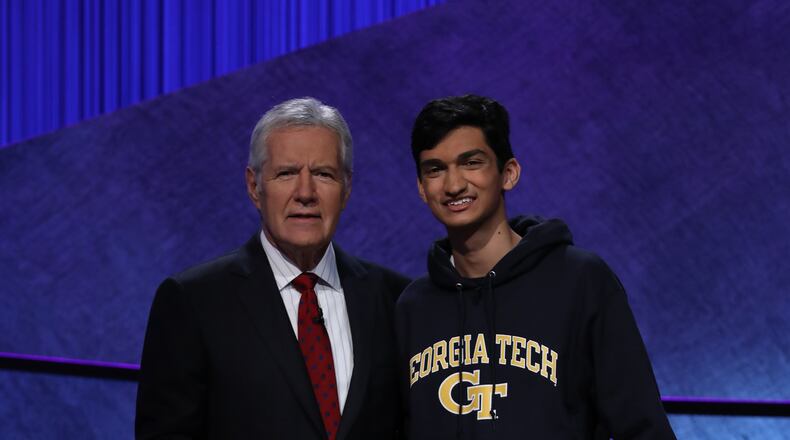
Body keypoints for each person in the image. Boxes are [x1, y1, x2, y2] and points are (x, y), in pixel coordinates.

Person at [395, 95, 676, 439]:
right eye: (435, 169)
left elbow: (643, 427)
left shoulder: (579, 281)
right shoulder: (413, 307)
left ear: (508, 173)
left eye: (471, 162)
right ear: (422, 189)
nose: (453, 185)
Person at [136, 97, 410, 439]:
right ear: (254, 187)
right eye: (286, 173)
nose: (305, 192)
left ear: (347, 188)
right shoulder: (193, 302)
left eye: (324, 174)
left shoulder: (397, 300)